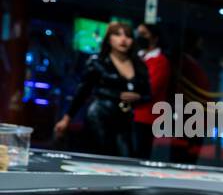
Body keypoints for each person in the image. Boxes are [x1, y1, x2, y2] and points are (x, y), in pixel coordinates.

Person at [54, 23, 151, 157]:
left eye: (128, 35)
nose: (123, 39)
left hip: (126, 119)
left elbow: (148, 95)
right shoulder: (97, 61)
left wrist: (138, 97)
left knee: (127, 158)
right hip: (100, 116)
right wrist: (66, 119)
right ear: (109, 39)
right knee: (101, 157)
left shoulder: (139, 65)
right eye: (117, 34)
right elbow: (83, 91)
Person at [133, 23, 172, 159]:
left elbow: (151, 88)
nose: (139, 37)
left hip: (146, 117)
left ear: (155, 38)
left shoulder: (161, 61)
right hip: (130, 115)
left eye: (144, 34)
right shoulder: (137, 57)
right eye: (138, 33)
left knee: (139, 157)